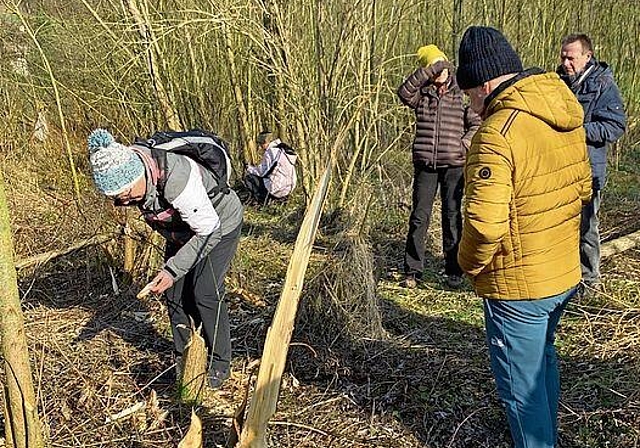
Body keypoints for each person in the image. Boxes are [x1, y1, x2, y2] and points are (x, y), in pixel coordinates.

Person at [456, 27, 592, 448]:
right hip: (561, 272)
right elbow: (584, 188)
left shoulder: (497, 133)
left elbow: (483, 224)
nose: (468, 104)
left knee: (520, 390)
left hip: (519, 286)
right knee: (542, 364)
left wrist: (467, 264)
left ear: (484, 84)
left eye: (467, 94)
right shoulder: (562, 111)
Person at [87, 128, 243, 389]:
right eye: (117, 197)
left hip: (219, 225)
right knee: (173, 296)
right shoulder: (137, 176)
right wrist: (173, 274)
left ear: (137, 173)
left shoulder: (177, 178)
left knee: (205, 291)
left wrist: (172, 271)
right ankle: (187, 358)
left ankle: (220, 363)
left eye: (125, 192)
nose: (124, 200)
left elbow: (208, 230)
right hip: (182, 233)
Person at [397, 44, 481, 289]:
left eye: (441, 65)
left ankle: (454, 270)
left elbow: (476, 125)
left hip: (454, 164)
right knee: (419, 217)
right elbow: (403, 92)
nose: (439, 72)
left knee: (452, 216)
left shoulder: (462, 94)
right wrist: (428, 70)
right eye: (434, 67)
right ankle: (413, 271)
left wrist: (463, 145)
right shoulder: (422, 95)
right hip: (426, 164)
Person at [557, 34, 626, 293]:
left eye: (571, 57)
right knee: (561, 226)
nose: (566, 62)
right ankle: (563, 279)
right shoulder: (557, 82)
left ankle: (590, 281)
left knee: (586, 227)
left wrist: (579, 131)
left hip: (588, 169)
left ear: (587, 56)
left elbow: (615, 126)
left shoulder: (603, 85)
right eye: (563, 56)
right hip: (559, 168)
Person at [243, 131, 297, 204]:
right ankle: (279, 198)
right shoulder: (282, 149)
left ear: (265, 142)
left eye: (261, 144)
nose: (260, 147)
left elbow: (262, 172)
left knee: (250, 178)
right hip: (289, 187)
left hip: (278, 189)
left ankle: (262, 201)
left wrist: (249, 168)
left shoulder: (271, 152)